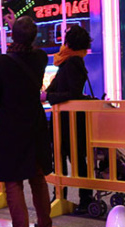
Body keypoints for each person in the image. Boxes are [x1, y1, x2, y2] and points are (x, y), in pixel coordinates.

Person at [0, 16, 53, 227]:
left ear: (12, 35)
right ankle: (45, 225)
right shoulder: (40, 58)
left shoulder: (0, 63)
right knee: (37, 176)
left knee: (13, 182)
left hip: (9, 126)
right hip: (35, 124)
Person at [45, 24, 93, 212]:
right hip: (66, 119)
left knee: (68, 157)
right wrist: (49, 93)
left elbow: (71, 92)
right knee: (72, 157)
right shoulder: (70, 60)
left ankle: (75, 197)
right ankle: (74, 196)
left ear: (69, 42)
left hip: (68, 119)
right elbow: (58, 85)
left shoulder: (72, 62)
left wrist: (48, 97)